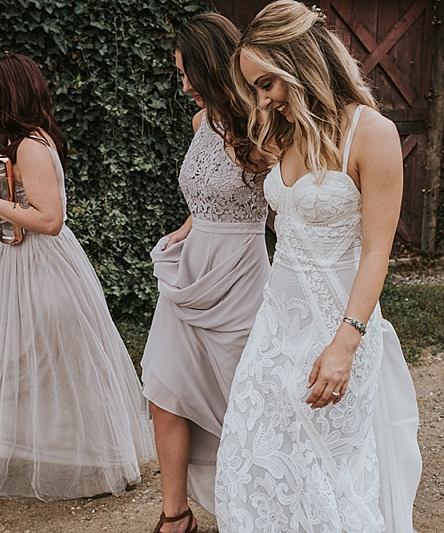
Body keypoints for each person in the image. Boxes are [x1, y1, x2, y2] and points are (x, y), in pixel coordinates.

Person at [214, 2, 422, 532]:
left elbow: (377, 251)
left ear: (299, 62)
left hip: (337, 327)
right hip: (276, 326)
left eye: (267, 84)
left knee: (327, 474)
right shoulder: (286, 132)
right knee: (253, 454)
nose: (263, 99)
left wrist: (344, 344)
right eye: (256, 88)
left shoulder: (372, 134)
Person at [0, 53, 154, 500]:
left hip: (45, 268)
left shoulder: (29, 145)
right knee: (33, 363)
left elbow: (50, 219)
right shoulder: (26, 142)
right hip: (26, 263)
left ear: (11, 94)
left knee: (24, 363)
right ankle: (78, 459)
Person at [140, 14, 272, 533]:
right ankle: (176, 517)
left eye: (189, 71)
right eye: (179, 74)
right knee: (163, 391)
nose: (186, 85)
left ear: (215, 65)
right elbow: (205, 188)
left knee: (244, 401)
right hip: (189, 274)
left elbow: (283, 200)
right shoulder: (202, 124)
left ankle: (258, 507)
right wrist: (188, 225)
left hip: (241, 278)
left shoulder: (264, 128)